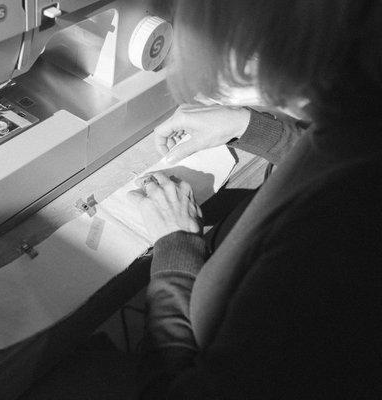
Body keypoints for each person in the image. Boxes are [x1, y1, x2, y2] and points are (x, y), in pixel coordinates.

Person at [126, 0, 382, 398]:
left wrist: (176, 247)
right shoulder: (358, 120)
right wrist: (246, 125)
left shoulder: (335, 236)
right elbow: (326, 145)